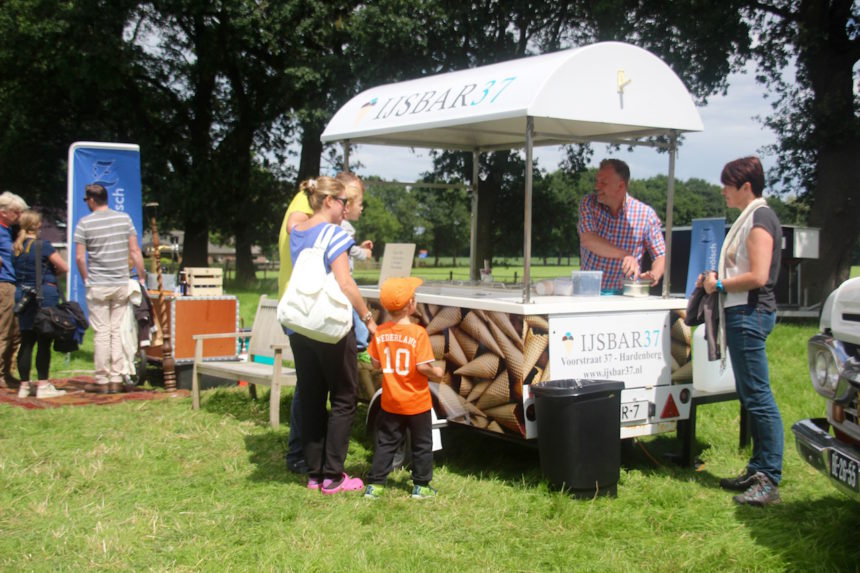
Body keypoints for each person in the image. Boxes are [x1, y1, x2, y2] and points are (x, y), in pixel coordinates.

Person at [699, 156, 783, 506]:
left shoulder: (760, 218)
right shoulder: (752, 216)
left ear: (746, 186)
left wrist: (718, 286)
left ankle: (768, 480)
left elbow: (759, 276)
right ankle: (758, 468)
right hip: (744, 313)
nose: (723, 191)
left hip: (749, 313)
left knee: (758, 398)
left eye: (727, 185)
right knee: (752, 396)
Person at [287, 176, 377, 494]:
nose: (346, 208)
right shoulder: (335, 235)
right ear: (329, 202)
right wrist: (368, 318)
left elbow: (295, 218)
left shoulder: (297, 231)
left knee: (311, 396)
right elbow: (346, 284)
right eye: (342, 202)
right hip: (329, 328)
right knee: (343, 396)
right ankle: (334, 477)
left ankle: (314, 474)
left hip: (300, 327)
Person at [364, 277, 444, 500]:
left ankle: (376, 485)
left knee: (387, 442)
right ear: (411, 305)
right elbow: (421, 366)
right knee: (422, 444)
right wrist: (437, 372)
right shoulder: (418, 333)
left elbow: (375, 363)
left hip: (390, 401)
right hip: (417, 402)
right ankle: (421, 486)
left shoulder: (380, 332)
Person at [74, 184, 146, 394]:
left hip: (98, 284)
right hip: (120, 282)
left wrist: (86, 277)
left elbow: (80, 257)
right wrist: (141, 275)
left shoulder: (84, 223)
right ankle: (116, 377)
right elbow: (134, 250)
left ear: (91, 200)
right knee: (117, 331)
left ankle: (101, 379)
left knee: (101, 332)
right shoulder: (124, 219)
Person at [578, 159, 666, 292]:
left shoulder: (646, 215)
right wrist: (625, 255)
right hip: (589, 293)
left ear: (621, 186)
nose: (597, 187)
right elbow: (588, 239)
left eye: (603, 183)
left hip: (625, 296)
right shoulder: (588, 203)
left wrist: (654, 274)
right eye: (597, 181)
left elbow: (661, 255)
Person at [278, 186, 315, 475]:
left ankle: (303, 452)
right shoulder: (303, 204)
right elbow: (294, 227)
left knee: (309, 384)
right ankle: (298, 454)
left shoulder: (300, 201)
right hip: (301, 310)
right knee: (308, 385)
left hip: (297, 308)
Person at [13, 210, 69, 398]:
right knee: (44, 341)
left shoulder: (17, 248)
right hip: (43, 296)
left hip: (23, 296)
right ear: (37, 226)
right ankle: (43, 385)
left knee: (26, 341)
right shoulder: (43, 246)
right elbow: (64, 267)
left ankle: (24, 385)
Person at [336, 171, 374, 350]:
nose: (362, 208)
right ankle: (361, 344)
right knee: (356, 308)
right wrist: (363, 253)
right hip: (345, 279)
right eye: (360, 204)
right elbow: (348, 248)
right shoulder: (345, 227)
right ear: (348, 205)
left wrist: (359, 247)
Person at [0, 191, 28, 388]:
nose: (20, 217)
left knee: (15, 330)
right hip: (4, 284)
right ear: (4, 212)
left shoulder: (8, 230)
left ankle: (6, 372)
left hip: (15, 283)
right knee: (4, 330)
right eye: (17, 213)